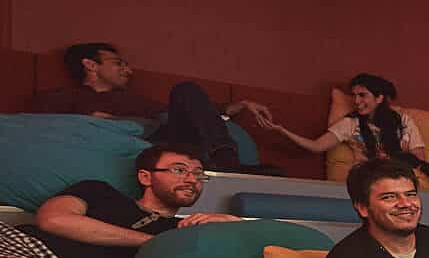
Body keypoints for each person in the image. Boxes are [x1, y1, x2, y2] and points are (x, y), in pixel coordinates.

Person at [0, 146, 241, 258]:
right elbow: (54, 219)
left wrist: (231, 222)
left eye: (199, 174)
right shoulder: (99, 191)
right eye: (179, 170)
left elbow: (252, 248)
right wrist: (154, 242)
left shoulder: (185, 229)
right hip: (13, 237)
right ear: (145, 176)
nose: (192, 179)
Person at [30, 41, 266, 170]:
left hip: (165, 141)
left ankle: (227, 162)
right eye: (118, 63)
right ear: (90, 65)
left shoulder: (135, 100)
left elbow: (187, 112)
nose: (128, 71)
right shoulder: (63, 98)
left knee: (186, 89)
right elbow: (42, 128)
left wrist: (239, 105)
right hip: (135, 152)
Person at [256, 73, 429, 190]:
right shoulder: (351, 124)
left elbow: (417, 155)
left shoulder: (402, 120)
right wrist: (281, 130)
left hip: (404, 166)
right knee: (378, 167)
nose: (357, 101)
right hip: (373, 169)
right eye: (354, 96)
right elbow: (316, 146)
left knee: (411, 162)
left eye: (363, 95)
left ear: (379, 98)